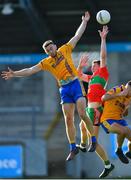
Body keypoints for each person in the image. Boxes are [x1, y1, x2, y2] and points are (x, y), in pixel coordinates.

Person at [1, 11, 97, 161]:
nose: (50, 50)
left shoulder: (65, 49)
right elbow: (30, 70)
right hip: (64, 89)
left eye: (51, 48)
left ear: (55, 47)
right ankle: (73, 148)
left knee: (82, 113)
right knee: (68, 119)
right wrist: (14, 74)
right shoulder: (46, 62)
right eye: (47, 50)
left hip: (75, 84)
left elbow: (77, 36)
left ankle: (94, 140)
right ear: (46, 52)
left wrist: (84, 22)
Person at [77, 26, 114, 178]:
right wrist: (80, 65)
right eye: (91, 65)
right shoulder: (91, 78)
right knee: (81, 125)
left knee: (95, 141)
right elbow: (78, 75)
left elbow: (103, 56)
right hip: (88, 110)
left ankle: (108, 164)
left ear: (100, 66)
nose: (92, 66)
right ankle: (84, 145)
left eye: (94, 64)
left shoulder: (102, 73)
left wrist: (103, 39)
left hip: (97, 110)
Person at [101, 80, 131, 166]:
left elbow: (125, 114)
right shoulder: (118, 89)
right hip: (107, 119)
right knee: (122, 131)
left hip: (120, 120)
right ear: (130, 88)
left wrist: (126, 109)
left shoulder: (129, 98)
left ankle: (130, 153)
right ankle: (119, 150)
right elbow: (103, 98)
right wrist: (119, 94)